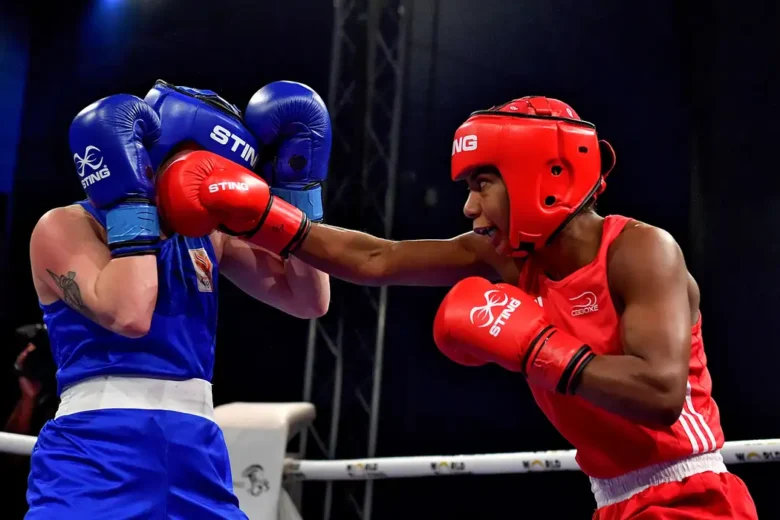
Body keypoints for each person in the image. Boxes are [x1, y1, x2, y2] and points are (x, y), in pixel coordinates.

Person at [159, 96, 757, 518]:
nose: (469, 209)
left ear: (537, 175)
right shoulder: (505, 260)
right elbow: (375, 259)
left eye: (481, 184)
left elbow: (660, 393)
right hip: (613, 499)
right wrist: (260, 213)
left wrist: (536, 347)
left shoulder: (640, 250)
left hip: (692, 498)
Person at [26, 79, 331, 518]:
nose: (209, 184)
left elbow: (309, 299)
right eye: (202, 168)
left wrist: (299, 188)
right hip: (98, 450)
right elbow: (130, 313)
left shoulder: (209, 236)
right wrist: (135, 199)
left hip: (198, 451)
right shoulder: (65, 227)